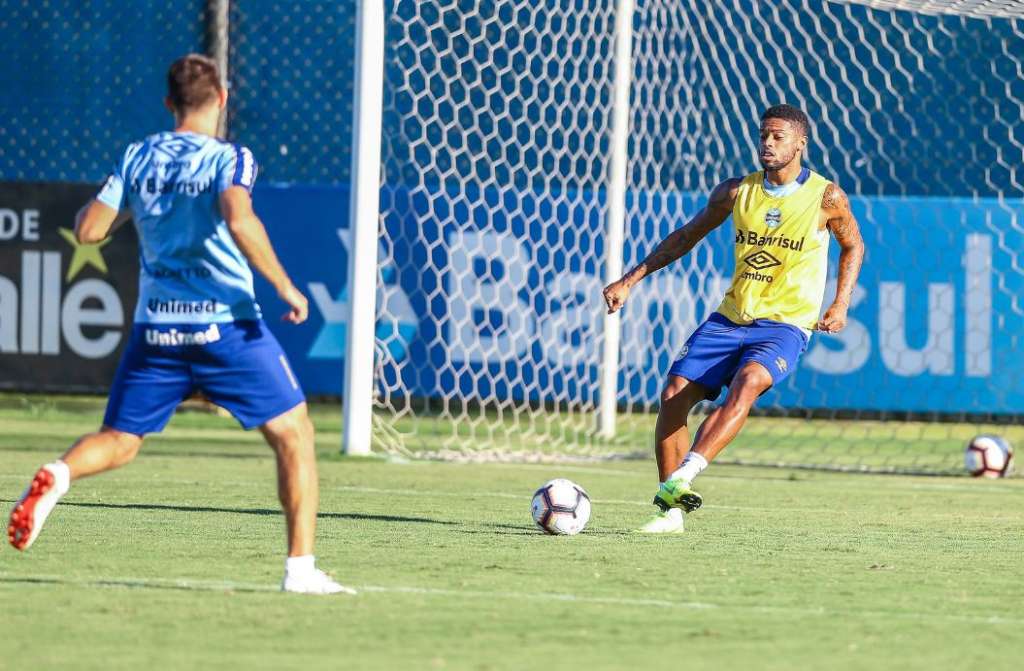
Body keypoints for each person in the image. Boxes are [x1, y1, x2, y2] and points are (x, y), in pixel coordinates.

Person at [7, 54, 353, 595]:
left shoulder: (138, 156)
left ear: (169, 104)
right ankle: (300, 571)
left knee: (119, 439)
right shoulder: (230, 158)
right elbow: (239, 217)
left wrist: (133, 206)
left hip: (157, 329)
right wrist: (285, 286)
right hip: (225, 327)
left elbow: (90, 229)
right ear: (221, 100)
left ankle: (60, 474)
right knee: (294, 433)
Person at [602, 104, 865, 533]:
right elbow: (687, 236)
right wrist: (630, 280)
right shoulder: (735, 192)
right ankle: (670, 514)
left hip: (785, 324)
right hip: (731, 317)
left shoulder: (826, 196)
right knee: (673, 395)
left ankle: (681, 480)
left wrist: (840, 304)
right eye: (763, 135)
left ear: (801, 142)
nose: (767, 143)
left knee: (748, 383)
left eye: (778, 136)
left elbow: (853, 246)